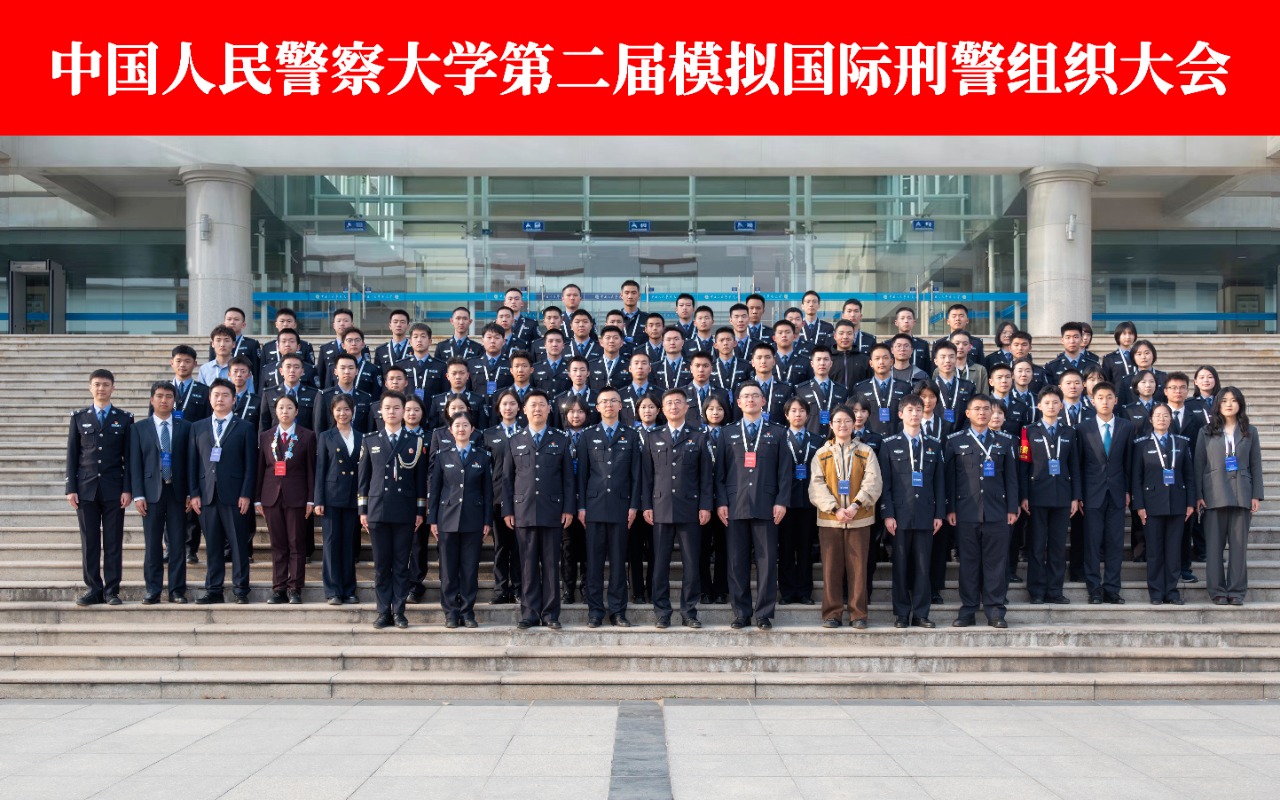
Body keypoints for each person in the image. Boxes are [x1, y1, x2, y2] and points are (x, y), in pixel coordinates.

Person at [714, 380, 795, 630]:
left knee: (767, 561)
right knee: (736, 561)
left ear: (763, 401)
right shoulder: (727, 433)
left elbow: (785, 472)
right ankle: (741, 612)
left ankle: (764, 614)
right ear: (738, 403)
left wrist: (781, 501)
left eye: (755, 395)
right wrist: (721, 502)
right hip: (735, 505)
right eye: (746, 396)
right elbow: (720, 473)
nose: (750, 399)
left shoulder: (778, 432)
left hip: (767, 505)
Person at [502, 390, 576, 630]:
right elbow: (507, 479)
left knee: (552, 564)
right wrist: (508, 510)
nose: (537, 409)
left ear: (549, 409)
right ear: (524, 410)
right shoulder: (515, 440)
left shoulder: (560, 439)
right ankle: (530, 613)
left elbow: (568, 479)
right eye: (532, 405)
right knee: (528, 564)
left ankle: (551, 614)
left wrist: (568, 508)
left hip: (553, 510)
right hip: (523, 510)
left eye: (541, 405)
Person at [945, 395, 1019, 628]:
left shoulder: (1005, 441)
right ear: (967, 413)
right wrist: (950, 508)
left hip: (997, 511)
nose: (983, 413)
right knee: (968, 563)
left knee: (996, 563)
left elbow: (1012, 478)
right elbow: (950, 479)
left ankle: (995, 610)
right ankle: (968, 610)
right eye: (977, 409)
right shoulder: (955, 441)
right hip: (966, 511)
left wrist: (1012, 507)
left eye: (987, 409)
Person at [642, 390, 713, 628]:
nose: (674, 406)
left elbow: (706, 477)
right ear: (662, 409)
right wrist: (646, 505)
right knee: (660, 564)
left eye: (678, 402)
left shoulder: (698, 437)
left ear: (686, 407)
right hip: (660, 507)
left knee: (691, 563)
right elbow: (647, 476)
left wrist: (705, 506)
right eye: (669, 403)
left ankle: (689, 611)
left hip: (690, 508)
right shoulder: (653, 437)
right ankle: (662, 612)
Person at [808, 405, 882, 629]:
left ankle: (858, 614)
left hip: (860, 518)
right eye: (838, 421)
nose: (843, 425)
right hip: (830, 520)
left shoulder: (866, 451)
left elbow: (873, 481)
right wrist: (835, 509)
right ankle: (832, 613)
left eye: (847, 421)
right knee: (831, 568)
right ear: (831, 425)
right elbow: (816, 486)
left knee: (858, 569)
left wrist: (856, 505)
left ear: (854, 423)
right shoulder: (821, 454)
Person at [358, 391, 427, 630]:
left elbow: (420, 480)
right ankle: (382, 612)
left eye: (397, 408)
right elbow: (364, 479)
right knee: (381, 565)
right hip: (378, 509)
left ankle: (399, 611)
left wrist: (419, 511)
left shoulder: (415, 441)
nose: (392, 412)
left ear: (403, 411)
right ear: (381, 411)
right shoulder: (370, 440)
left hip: (404, 511)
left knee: (400, 565)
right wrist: (363, 510)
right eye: (387, 407)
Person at [66, 369, 135, 607]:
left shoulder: (124, 418)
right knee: (90, 541)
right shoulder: (79, 417)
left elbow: (129, 457)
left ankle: (112, 590)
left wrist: (128, 488)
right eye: (97, 384)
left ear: (113, 387)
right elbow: (72, 455)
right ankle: (93, 588)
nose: (101, 388)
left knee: (114, 541)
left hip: (114, 488)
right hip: (85, 489)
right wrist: (71, 488)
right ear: (90, 387)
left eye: (106, 384)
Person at [576, 387, 643, 628]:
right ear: (597, 407)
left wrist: (634, 505)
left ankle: (617, 611)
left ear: (620, 406)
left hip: (621, 507)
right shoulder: (587, 436)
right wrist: (581, 506)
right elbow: (582, 475)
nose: (609, 405)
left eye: (613, 401)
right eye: (604, 401)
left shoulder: (631, 435)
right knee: (594, 563)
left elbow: (636, 475)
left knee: (618, 563)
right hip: (593, 507)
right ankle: (595, 611)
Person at [189, 378, 258, 605]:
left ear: (234, 399)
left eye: (225, 395)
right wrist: (194, 493)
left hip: (235, 496)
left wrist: (246, 493)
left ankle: (241, 589)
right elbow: (192, 463)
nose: (220, 399)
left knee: (238, 545)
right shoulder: (197, 427)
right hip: (207, 496)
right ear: (209, 399)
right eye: (216, 395)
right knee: (213, 546)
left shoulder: (245, 427)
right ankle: (214, 590)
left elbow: (251, 465)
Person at [877, 395, 944, 628]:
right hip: (900, 516)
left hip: (926, 515)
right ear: (900, 414)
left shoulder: (934, 444)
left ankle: (921, 613)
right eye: (909, 410)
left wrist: (939, 513)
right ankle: (902, 614)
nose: (914, 414)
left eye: (918, 409)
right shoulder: (889, 444)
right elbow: (885, 483)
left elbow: (939, 482)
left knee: (924, 567)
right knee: (901, 566)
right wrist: (887, 514)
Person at [1196, 387, 1263, 606]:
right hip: (1213, 494)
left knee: (1238, 547)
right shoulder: (1206, 431)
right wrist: (1198, 495)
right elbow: (1199, 464)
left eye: (1233, 400)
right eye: (1224, 400)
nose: (1229, 404)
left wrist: (1256, 495)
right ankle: (1216, 590)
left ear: (1240, 404)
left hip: (1242, 493)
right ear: (1218, 404)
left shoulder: (1249, 431)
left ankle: (1236, 591)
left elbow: (1256, 464)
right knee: (1214, 547)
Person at [428, 411, 493, 628]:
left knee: (469, 570)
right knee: (448, 570)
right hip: (446, 519)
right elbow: (435, 491)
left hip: (473, 520)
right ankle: (450, 613)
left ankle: (467, 613)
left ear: (472, 430)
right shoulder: (442, 456)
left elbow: (488, 492)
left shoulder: (482, 456)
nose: (461, 429)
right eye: (457, 425)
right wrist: (433, 520)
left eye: (466, 425)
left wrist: (487, 521)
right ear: (450, 430)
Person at [1019, 386, 1082, 605]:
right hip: (1036, 495)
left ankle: (1055, 590)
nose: (1051, 406)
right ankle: (1036, 591)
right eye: (1047, 403)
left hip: (1062, 495)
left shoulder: (1069, 432)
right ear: (1039, 406)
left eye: (1055, 402)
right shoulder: (1028, 431)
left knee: (1057, 546)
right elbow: (1024, 465)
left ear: (1061, 405)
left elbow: (1074, 466)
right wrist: (1024, 495)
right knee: (1037, 545)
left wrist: (1075, 497)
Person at [130, 381, 189, 604]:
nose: (164, 400)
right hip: (151, 494)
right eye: (160, 396)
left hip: (177, 493)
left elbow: (191, 462)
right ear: (152, 400)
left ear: (175, 401)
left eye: (169, 396)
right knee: (153, 545)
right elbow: (135, 463)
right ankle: (153, 590)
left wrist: (191, 493)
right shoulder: (139, 428)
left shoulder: (186, 427)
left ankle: (177, 590)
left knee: (177, 544)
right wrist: (138, 495)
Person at [255, 395, 316, 604]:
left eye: (289, 408)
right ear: (275, 411)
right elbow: (261, 469)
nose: (285, 411)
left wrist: (311, 499)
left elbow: (311, 470)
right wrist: (257, 499)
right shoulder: (266, 436)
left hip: (297, 497)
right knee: (278, 544)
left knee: (296, 543)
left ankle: (295, 588)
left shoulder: (307, 436)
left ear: (296, 411)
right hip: (271, 496)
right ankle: (279, 588)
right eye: (281, 407)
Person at [1132, 404, 1195, 605]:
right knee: (1154, 550)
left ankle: (1172, 591)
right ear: (1151, 419)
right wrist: (1139, 506)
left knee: (1174, 550)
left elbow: (1189, 476)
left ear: (1171, 419)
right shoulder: (1141, 444)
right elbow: (1136, 478)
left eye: (1166, 415)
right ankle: (1157, 592)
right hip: (1151, 504)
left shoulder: (1182, 442)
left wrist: (1190, 503)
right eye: (1157, 415)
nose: (1162, 419)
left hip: (1178, 503)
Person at [1077, 382, 1134, 605]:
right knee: (1092, 543)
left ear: (1116, 400)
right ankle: (1094, 589)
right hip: (1091, 494)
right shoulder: (1083, 428)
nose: (1105, 401)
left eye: (1109, 397)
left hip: (1117, 493)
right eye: (1100, 397)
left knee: (1115, 543)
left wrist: (1128, 490)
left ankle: (1112, 588)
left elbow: (1129, 463)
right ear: (1092, 401)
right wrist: (1079, 495)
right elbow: (1078, 465)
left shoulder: (1126, 427)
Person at [314, 394, 363, 605]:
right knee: (331, 544)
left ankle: (349, 589)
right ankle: (333, 590)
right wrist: (318, 500)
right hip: (332, 497)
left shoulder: (362, 436)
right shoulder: (326, 436)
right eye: (338, 410)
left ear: (353, 411)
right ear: (332, 412)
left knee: (349, 545)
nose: (342, 413)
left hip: (353, 497)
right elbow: (320, 469)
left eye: (346, 409)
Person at [778, 397, 821, 606]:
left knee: (805, 549)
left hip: (809, 502)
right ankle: (787, 592)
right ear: (786, 415)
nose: (798, 414)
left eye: (802, 410)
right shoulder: (779, 438)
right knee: (786, 549)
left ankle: (804, 591)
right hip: (785, 502)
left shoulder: (817, 440)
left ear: (808, 414)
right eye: (793, 411)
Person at [483, 389, 523, 604]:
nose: (508, 407)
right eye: (504, 404)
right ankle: (500, 589)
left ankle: (517, 588)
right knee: (500, 546)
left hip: (521, 498)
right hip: (497, 497)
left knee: (518, 546)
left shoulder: (525, 432)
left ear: (519, 407)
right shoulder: (488, 435)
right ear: (498, 408)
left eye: (512, 403)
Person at [698, 395, 731, 605]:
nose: (715, 412)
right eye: (711, 409)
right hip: (702, 499)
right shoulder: (697, 435)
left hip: (726, 498)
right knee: (701, 547)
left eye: (719, 409)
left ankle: (721, 589)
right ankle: (704, 589)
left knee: (723, 547)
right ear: (704, 412)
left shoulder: (731, 434)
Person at [852, 344, 907, 439]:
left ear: (892, 361)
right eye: (877, 358)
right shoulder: (860, 388)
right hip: (869, 440)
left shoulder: (904, 387)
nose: (881, 362)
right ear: (871, 363)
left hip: (896, 439)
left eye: (885, 358)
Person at [315, 354, 376, 434]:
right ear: (335, 371)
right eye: (342, 368)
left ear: (356, 371)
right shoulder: (324, 396)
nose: (347, 372)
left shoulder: (365, 398)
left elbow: (369, 428)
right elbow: (318, 427)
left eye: (351, 368)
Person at [260, 353, 319, 432]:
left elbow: (316, 424)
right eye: (288, 367)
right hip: (277, 438)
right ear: (281, 371)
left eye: (296, 367)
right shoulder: (269, 393)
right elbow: (264, 423)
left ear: (302, 371)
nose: (292, 370)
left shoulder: (313, 394)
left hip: (304, 438)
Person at [399, 322, 445, 403]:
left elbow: (444, 394)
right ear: (410, 342)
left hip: (431, 410)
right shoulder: (401, 365)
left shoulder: (441, 366)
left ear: (430, 341)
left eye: (423, 336)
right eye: (415, 337)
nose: (419, 340)